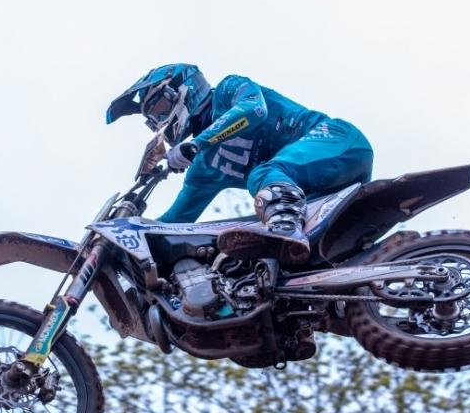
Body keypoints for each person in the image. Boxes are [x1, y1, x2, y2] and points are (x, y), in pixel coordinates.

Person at [106, 63, 373, 265]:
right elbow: (173, 225)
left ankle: (285, 229)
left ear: (182, 88)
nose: (162, 121)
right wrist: (128, 242)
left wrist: (197, 144)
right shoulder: (203, 170)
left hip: (338, 141)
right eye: (155, 119)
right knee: (270, 263)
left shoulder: (228, 90)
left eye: (161, 108)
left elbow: (254, 110)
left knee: (263, 173)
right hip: (318, 191)